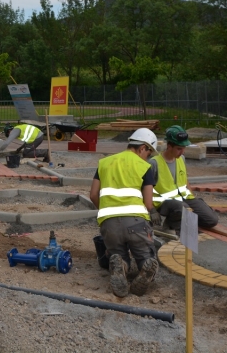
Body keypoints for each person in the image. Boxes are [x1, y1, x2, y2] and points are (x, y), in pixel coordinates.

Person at [90, 128, 160, 297]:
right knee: (146, 257)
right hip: (136, 223)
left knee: (118, 254)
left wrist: (107, 213)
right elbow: (148, 202)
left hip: (109, 224)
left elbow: (93, 195)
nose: (148, 157)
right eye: (149, 153)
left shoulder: (105, 163)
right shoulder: (144, 166)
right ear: (143, 148)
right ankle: (145, 268)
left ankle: (120, 265)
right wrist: (154, 213)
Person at [149, 125, 219, 234]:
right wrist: (151, 210)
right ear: (169, 146)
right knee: (184, 210)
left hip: (183, 198)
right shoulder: (154, 163)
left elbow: (185, 180)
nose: (183, 152)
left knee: (212, 220)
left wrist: (194, 200)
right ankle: (169, 224)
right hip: (165, 204)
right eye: (179, 149)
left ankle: (184, 220)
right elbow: (145, 188)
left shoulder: (181, 159)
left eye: (184, 148)